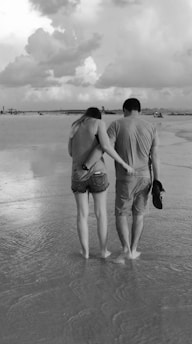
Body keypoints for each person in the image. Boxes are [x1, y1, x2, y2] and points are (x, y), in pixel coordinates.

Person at [83, 98, 160, 261]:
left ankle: (125, 249)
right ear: (139, 110)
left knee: (121, 214)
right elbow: (155, 156)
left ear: (124, 109)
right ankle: (133, 250)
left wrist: (87, 164)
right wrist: (158, 181)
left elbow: (103, 147)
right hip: (146, 177)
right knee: (139, 215)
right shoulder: (151, 127)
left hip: (126, 178)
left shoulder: (117, 125)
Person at [68, 107, 134, 259]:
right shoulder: (99, 123)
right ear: (98, 116)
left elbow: (70, 152)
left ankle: (85, 252)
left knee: (82, 214)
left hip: (78, 173)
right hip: (98, 172)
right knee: (100, 213)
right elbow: (105, 146)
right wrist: (124, 164)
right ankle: (103, 251)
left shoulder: (75, 126)